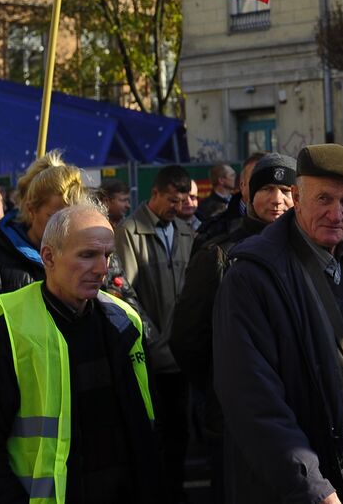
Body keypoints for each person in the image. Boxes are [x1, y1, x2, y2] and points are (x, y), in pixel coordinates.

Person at [214, 144, 343, 503]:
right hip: (303, 487)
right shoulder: (252, 276)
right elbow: (251, 397)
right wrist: (311, 486)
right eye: (324, 199)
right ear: (296, 196)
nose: (336, 213)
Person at [0, 201, 158, 504]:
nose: (102, 268)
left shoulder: (124, 321)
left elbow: (148, 427)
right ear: (48, 256)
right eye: (87, 255)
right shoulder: (7, 330)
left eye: (107, 255)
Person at [170, 152, 295, 504]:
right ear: (247, 194)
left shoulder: (309, 253)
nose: (278, 199)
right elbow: (187, 339)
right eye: (267, 188)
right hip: (232, 419)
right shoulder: (218, 255)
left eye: (286, 189)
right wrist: (219, 383)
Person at [115, 164, 195, 504]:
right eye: (173, 201)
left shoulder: (187, 231)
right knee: (154, 433)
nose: (179, 208)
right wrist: (156, 342)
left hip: (184, 352)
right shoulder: (128, 232)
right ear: (156, 194)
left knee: (180, 432)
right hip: (149, 354)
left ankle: (175, 491)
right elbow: (127, 296)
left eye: (184, 201)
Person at [0, 152, 94, 327]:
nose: (66, 227)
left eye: (73, 217)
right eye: (56, 217)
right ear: (31, 209)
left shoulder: (98, 254)